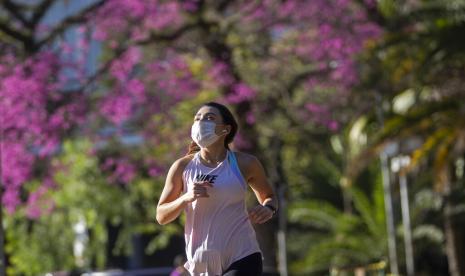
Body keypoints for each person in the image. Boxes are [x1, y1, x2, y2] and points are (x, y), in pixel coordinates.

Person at [156, 102, 278, 276]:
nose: (200, 122)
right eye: (197, 118)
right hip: (201, 262)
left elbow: (269, 197)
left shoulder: (246, 163)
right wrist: (186, 198)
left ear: (225, 130)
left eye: (209, 118)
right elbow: (161, 216)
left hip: (243, 254)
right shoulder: (182, 167)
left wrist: (268, 208)